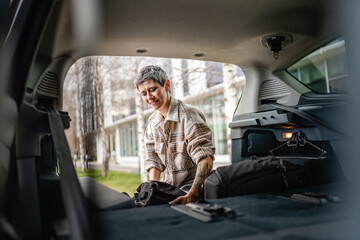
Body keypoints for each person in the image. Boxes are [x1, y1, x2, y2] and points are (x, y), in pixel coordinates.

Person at [135, 65, 215, 205]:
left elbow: (205, 159)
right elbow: (154, 162)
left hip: (191, 192)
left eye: (153, 90)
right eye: (144, 93)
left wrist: (192, 195)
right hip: (168, 192)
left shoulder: (189, 116)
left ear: (167, 85)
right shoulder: (152, 122)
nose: (149, 97)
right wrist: (151, 193)